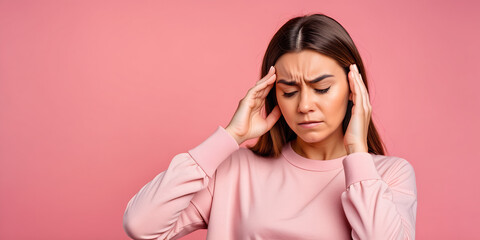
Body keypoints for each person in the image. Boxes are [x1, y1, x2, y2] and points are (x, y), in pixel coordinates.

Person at [123, 13, 417, 240]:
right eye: (289, 91)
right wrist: (228, 137)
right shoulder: (236, 170)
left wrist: (357, 153)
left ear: (354, 89)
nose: (304, 105)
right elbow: (140, 225)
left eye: (322, 88)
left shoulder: (387, 176)